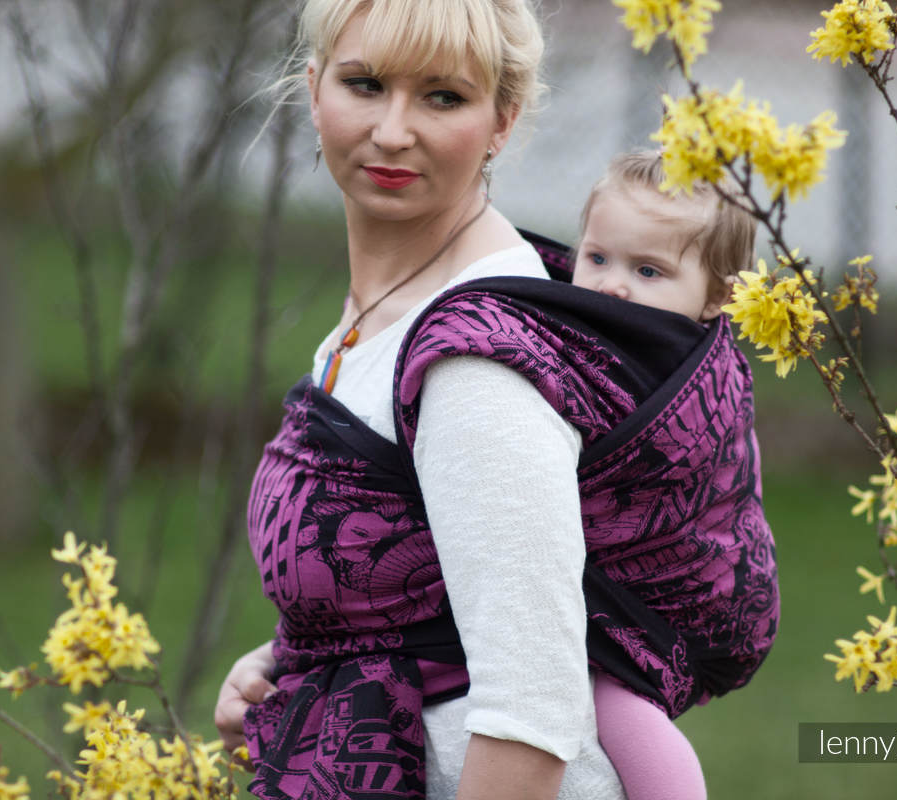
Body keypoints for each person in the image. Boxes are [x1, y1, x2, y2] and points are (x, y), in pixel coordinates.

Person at [214, 2, 779, 798]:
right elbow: (423, 593)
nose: (393, 129)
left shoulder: (477, 366)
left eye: (443, 97)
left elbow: (533, 710)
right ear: (315, 91)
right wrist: (289, 664)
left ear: (502, 121)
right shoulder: (393, 311)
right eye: (365, 84)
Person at [568, 149, 764, 800]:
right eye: (597, 258)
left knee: (612, 703)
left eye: (648, 270)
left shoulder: (675, 371)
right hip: (604, 600)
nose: (613, 286)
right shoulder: (580, 334)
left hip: (661, 605)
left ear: (718, 297)